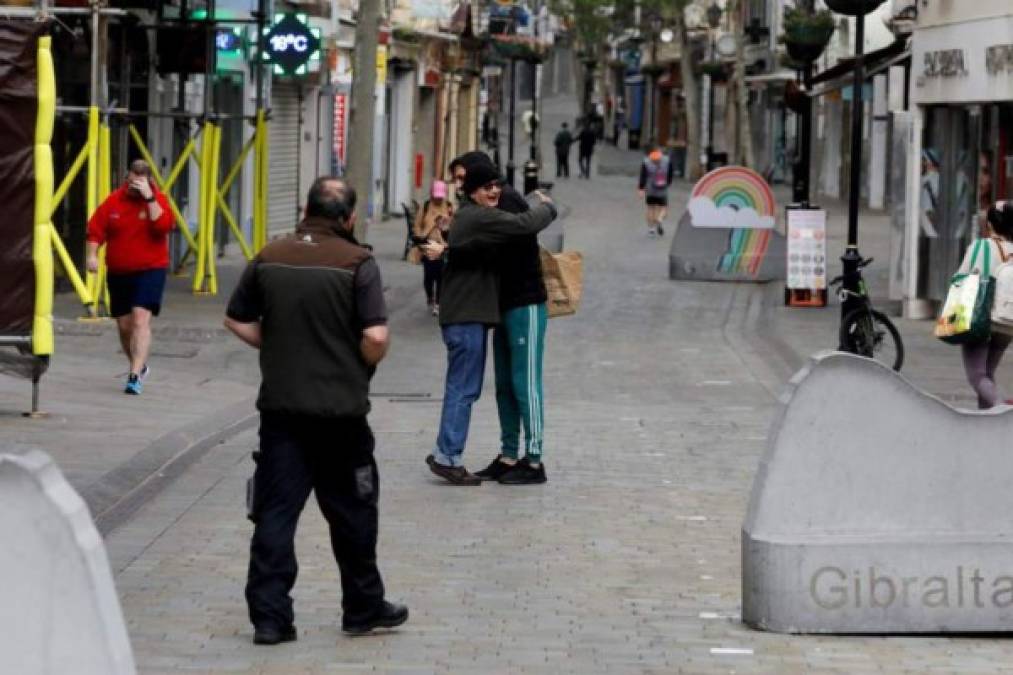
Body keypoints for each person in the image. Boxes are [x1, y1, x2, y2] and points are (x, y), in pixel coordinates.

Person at [224, 177, 407, 645]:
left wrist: (278, 344)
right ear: (348, 218)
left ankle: (270, 618)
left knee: (275, 514)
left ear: (305, 209)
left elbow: (236, 318)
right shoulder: (357, 263)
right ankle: (362, 608)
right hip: (341, 415)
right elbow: (377, 337)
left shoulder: (269, 255)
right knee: (354, 512)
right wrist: (360, 361)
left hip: (282, 412)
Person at [424, 161, 557, 485]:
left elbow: (525, 225)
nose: (493, 191)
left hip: (518, 304)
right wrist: (449, 248)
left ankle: (533, 460)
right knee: (491, 386)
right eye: (486, 187)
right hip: (486, 311)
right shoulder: (476, 212)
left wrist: (549, 206)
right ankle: (502, 454)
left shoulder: (501, 203)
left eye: (493, 184)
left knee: (521, 384)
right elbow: (478, 246)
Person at [86, 159, 173, 395]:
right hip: (119, 271)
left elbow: (163, 227)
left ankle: (134, 377)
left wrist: (150, 198)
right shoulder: (114, 200)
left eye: (140, 182)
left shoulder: (158, 199)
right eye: (132, 182)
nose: (134, 187)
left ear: (149, 181)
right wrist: (92, 255)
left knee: (139, 319)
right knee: (124, 327)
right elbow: (95, 229)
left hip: (151, 269)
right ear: (127, 178)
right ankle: (139, 364)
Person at [957, 201, 1013, 409]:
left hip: (980, 319)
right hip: (1007, 322)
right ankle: (988, 423)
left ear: (989, 225)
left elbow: (960, 278)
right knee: (987, 374)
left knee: (976, 376)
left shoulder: (980, 247)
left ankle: (1004, 410)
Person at [408, 180, 454, 315]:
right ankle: (430, 296)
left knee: (441, 276)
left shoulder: (449, 206)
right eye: (436, 195)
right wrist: (419, 237)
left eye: (440, 196)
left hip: (442, 245)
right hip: (428, 245)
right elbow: (417, 224)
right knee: (429, 275)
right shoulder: (426, 206)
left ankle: (438, 303)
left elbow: (454, 223)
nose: (438, 198)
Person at [638, 147, 674, 238]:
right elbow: (670, 174)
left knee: (650, 208)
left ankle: (651, 230)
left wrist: (641, 188)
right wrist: (668, 183)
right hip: (662, 188)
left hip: (650, 189)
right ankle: (660, 218)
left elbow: (643, 177)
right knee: (663, 207)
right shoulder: (667, 161)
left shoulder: (646, 162)